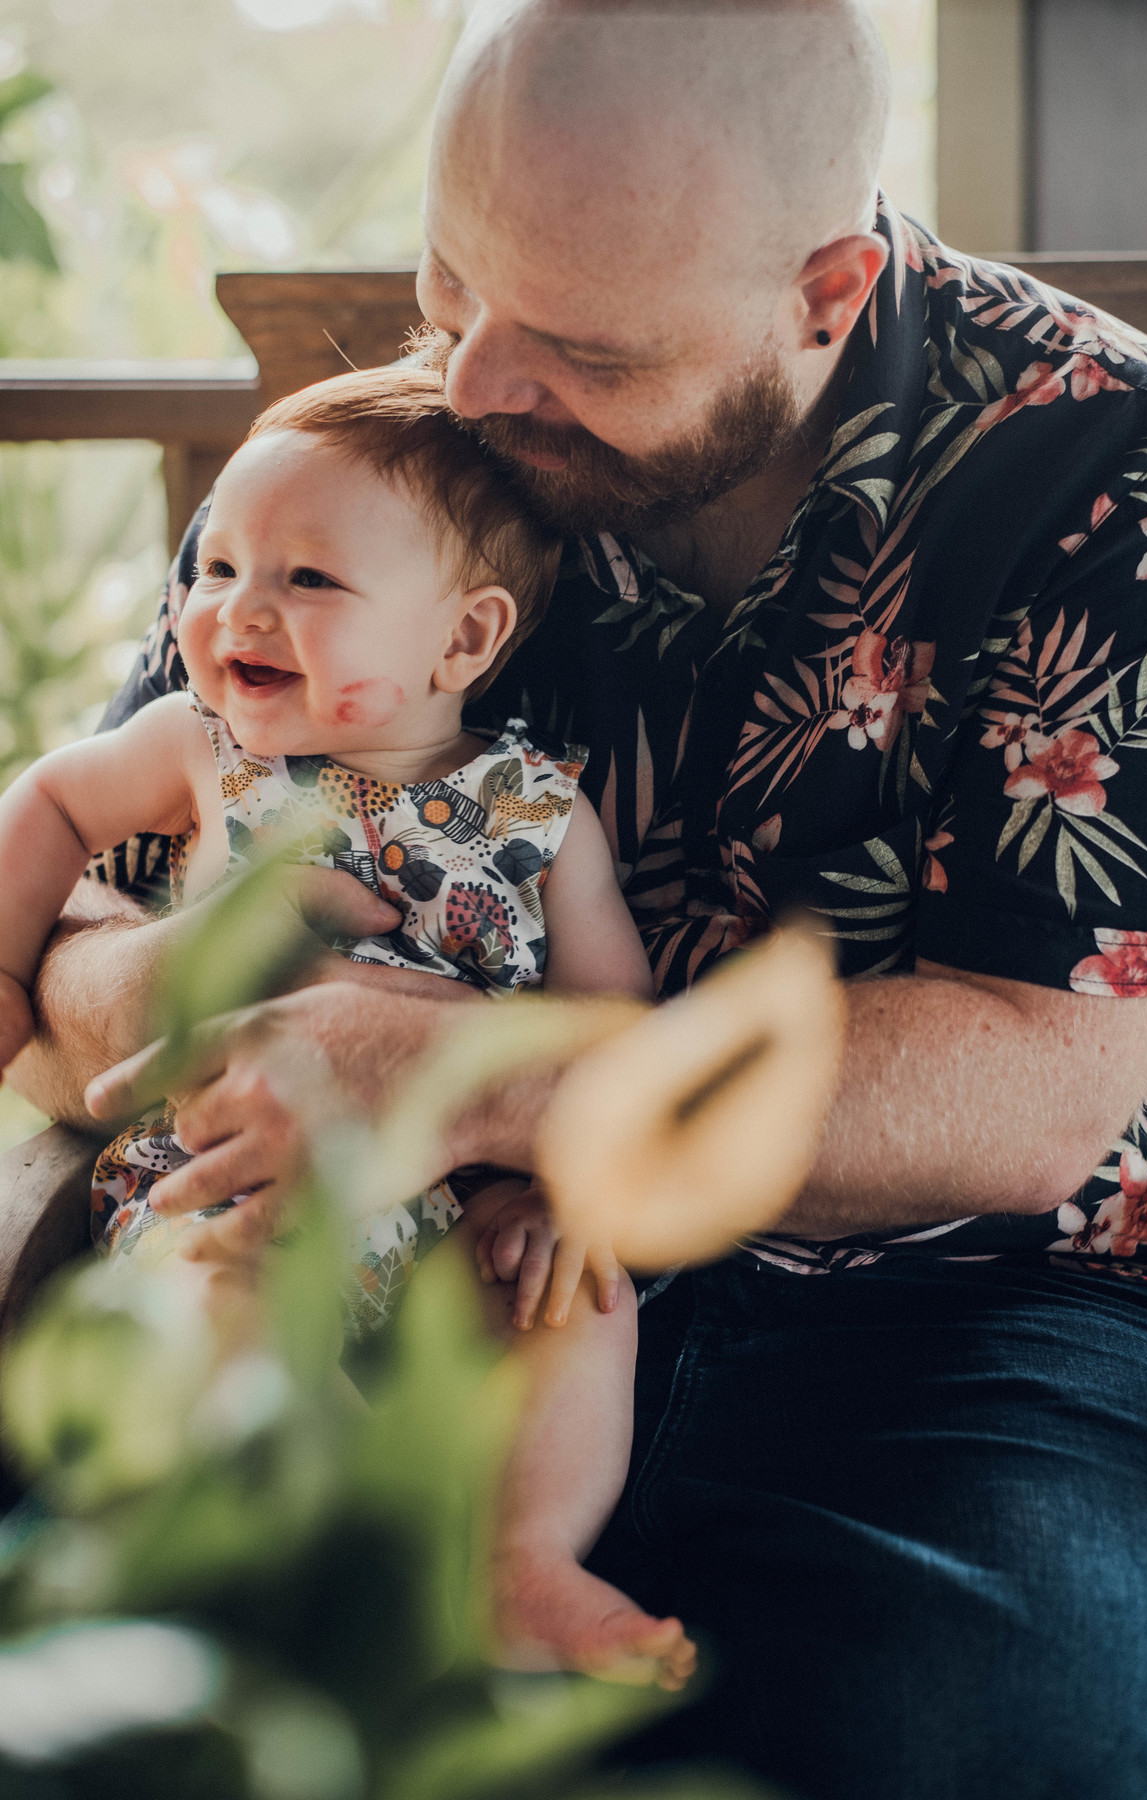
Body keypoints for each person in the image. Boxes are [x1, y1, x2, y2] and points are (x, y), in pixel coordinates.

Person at [12, 0, 1147, 1790]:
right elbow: (86, 909)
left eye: (576, 347)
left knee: (1001, 1735)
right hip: (356, 1256)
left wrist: (468, 1071)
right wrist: (231, 1021)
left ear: (827, 288)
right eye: (445, 279)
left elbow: (1031, 1081)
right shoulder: (395, 444)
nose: (479, 381)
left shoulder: (1126, 483)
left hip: (961, 1320)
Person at [0, 362, 698, 1692]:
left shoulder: (540, 808)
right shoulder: (208, 751)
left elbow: (613, 1022)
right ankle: (269, 1564)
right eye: (214, 569)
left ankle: (523, 1557)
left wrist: (568, 1175)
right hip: (236, 1181)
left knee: (583, 1300)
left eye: (307, 582)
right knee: (219, 1309)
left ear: (463, 640)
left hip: (463, 1197)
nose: (232, 611)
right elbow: (46, 801)